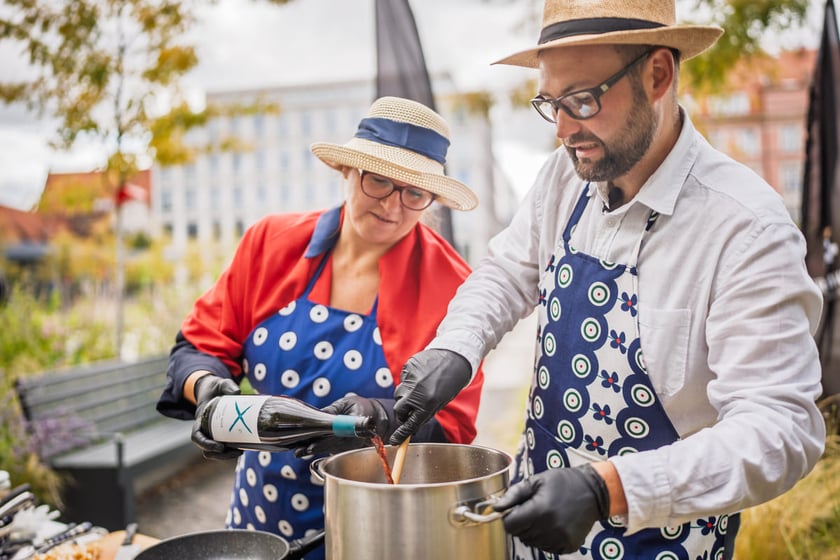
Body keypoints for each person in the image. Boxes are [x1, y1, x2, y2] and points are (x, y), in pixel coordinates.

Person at [388, 1, 827, 558]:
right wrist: (456, 347)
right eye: (552, 103)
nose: (565, 130)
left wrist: (607, 487)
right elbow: (506, 272)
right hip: (535, 536)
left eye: (584, 100)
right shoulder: (564, 179)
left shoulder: (745, 227)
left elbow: (779, 430)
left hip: (666, 543)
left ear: (658, 75)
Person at [156, 96, 485, 559]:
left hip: (373, 530)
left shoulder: (452, 284)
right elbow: (198, 345)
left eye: (414, 192)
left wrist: (375, 420)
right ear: (347, 171)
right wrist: (207, 390)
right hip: (257, 522)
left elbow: (451, 429)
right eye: (380, 181)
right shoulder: (270, 242)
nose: (393, 205)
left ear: (431, 198)